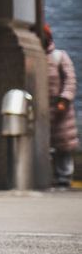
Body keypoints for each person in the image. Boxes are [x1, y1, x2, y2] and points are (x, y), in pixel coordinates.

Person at [43, 24, 79, 187]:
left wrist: (64, 99)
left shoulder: (59, 56)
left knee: (63, 145)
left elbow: (70, 80)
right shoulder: (37, 56)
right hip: (42, 110)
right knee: (45, 145)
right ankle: (49, 177)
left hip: (60, 109)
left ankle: (64, 177)